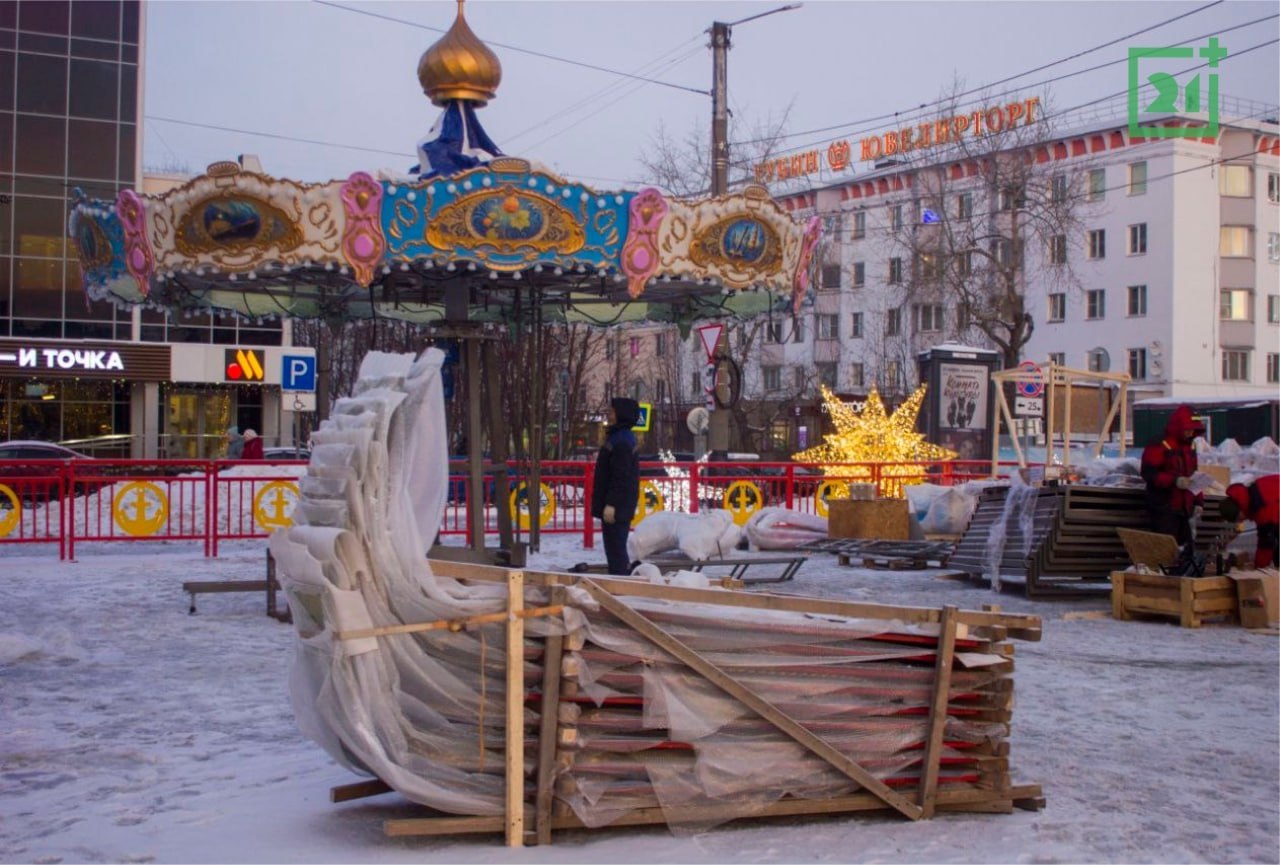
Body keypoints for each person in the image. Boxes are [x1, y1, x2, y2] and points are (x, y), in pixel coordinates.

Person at [1139, 405, 1204, 546]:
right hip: (1164, 508)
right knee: (1166, 549)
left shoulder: (1190, 446)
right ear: (1179, 426)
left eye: (1193, 429)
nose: (1190, 432)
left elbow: (1194, 476)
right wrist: (1175, 481)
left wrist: (1198, 502)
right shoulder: (1159, 444)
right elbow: (1149, 473)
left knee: (1185, 550)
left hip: (1185, 509)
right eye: (1188, 429)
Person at [591, 397, 641, 575]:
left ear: (621, 414)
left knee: (616, 550)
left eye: (612, 411)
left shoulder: (621, 441)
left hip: (617, 506)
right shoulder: (620, 437)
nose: (608, 414)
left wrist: (611, 503)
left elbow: (621, 476)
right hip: (620, 504)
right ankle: (619, 582)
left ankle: (620, 585)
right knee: (615, 549)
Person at [1221, 474, 1279, 569]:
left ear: (1239, 511)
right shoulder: (1253, 494)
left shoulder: (1262, 507)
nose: (1242, 520)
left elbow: (1265, 543)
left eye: (1238, 519)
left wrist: (1259, 569)